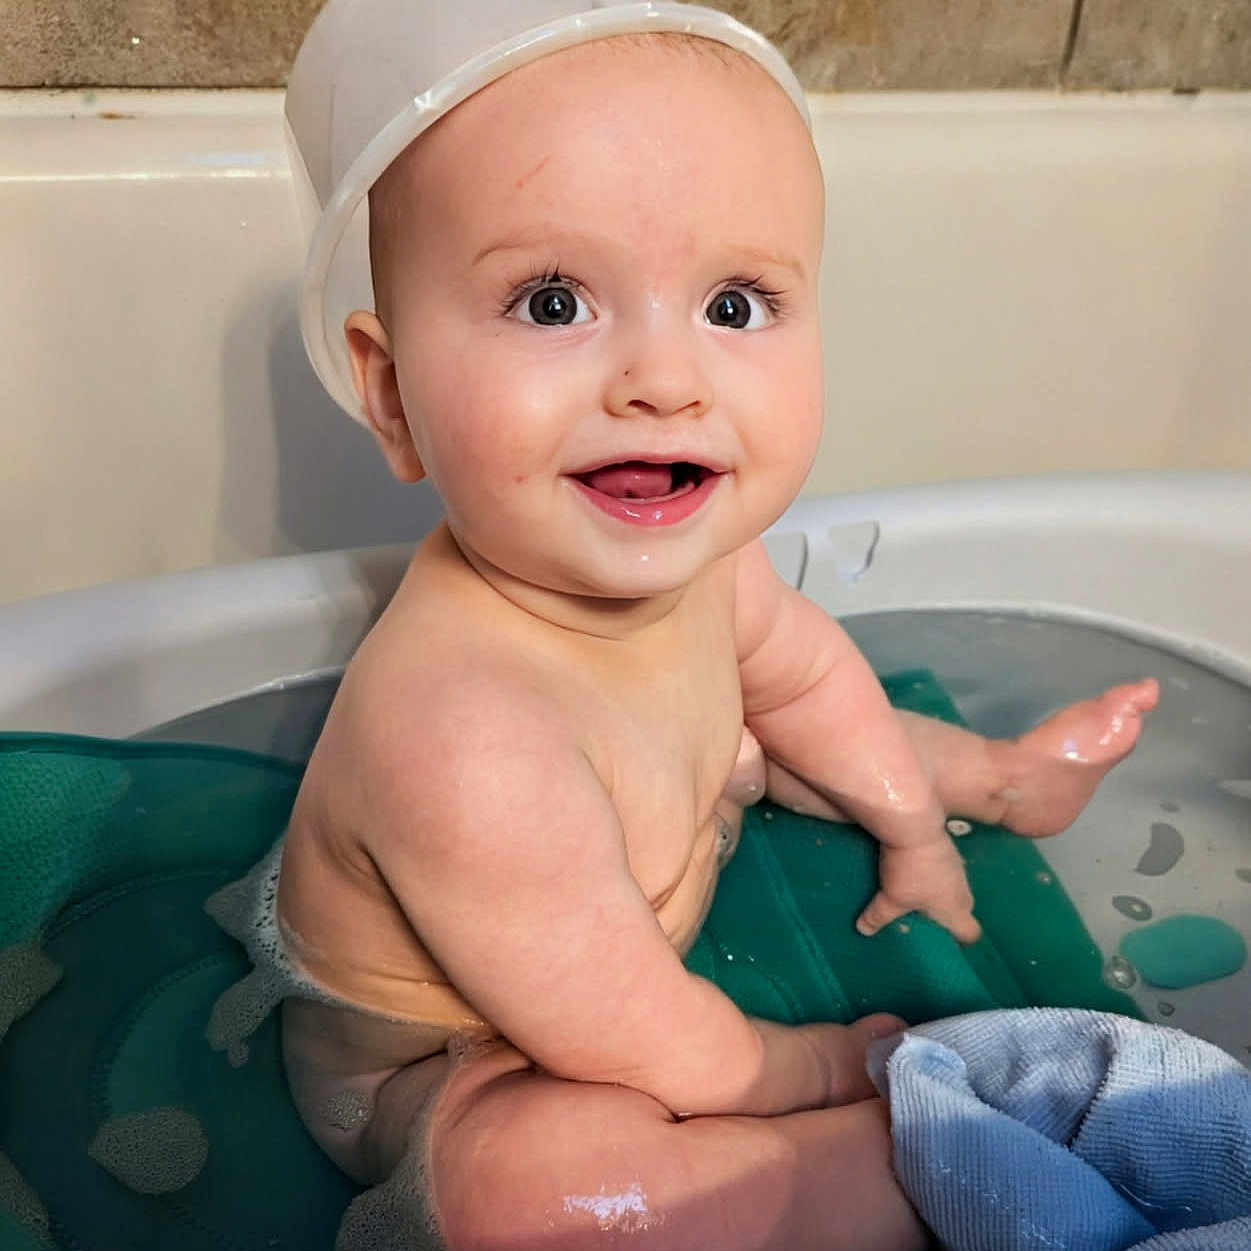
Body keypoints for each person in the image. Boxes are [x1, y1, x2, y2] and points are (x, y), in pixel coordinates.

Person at [208, 5, 1158, 1247]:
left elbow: (809, 677)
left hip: (641, 879)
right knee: (535, 1189)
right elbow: (646, 1041)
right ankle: (924, 1156)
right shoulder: (464, 736)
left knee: (791, 723)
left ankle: (1003, 781)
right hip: (458, 1062)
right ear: (393, 396)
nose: (667, 377)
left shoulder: (703, 561)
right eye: (553, 303)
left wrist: (916, 826)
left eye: (737, 303)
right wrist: (823, 1065)